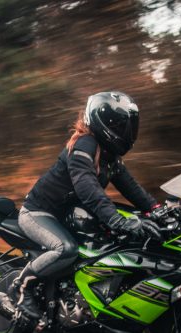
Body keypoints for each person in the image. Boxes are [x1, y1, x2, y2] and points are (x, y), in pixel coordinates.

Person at [12, 91, 165, 320]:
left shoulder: (109, 156)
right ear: (102, 123)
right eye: (119, 125)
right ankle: (21, 289)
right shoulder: (84, 144)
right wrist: (116, 220)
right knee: (66, 249)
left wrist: (157, 210)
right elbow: (87, 187)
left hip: (66, 216)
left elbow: (132, 188)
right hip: (38, 212)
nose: (127, 131)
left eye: (129, 125)